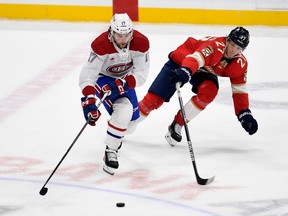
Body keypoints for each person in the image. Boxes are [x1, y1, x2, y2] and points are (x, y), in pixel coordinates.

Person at [138, 26, 258, 146]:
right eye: (232, 45)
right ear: (228, 40)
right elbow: (196, 59)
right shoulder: (215, 46)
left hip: (204, 69)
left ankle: (178, 124)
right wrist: (185, 70)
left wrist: (244, 113)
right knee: (152, 101)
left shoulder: (240, 64)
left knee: (209, 91)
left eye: (238, 48)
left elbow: (240, 91)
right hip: (183, 60)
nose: (233, 50)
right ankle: (126, 122)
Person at [79, 13, 150, 174]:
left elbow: (141, 74)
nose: (123, 39)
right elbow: (87, 77)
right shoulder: (100, 44)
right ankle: (111, 151)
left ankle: (115, 130)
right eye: (119, 35)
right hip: (103, 79)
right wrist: (89, 100)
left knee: (131, 125)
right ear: (111, 32)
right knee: (123, 110)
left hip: (125, 80)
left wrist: (125, 82)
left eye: (126, 35)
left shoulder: (141, 42)